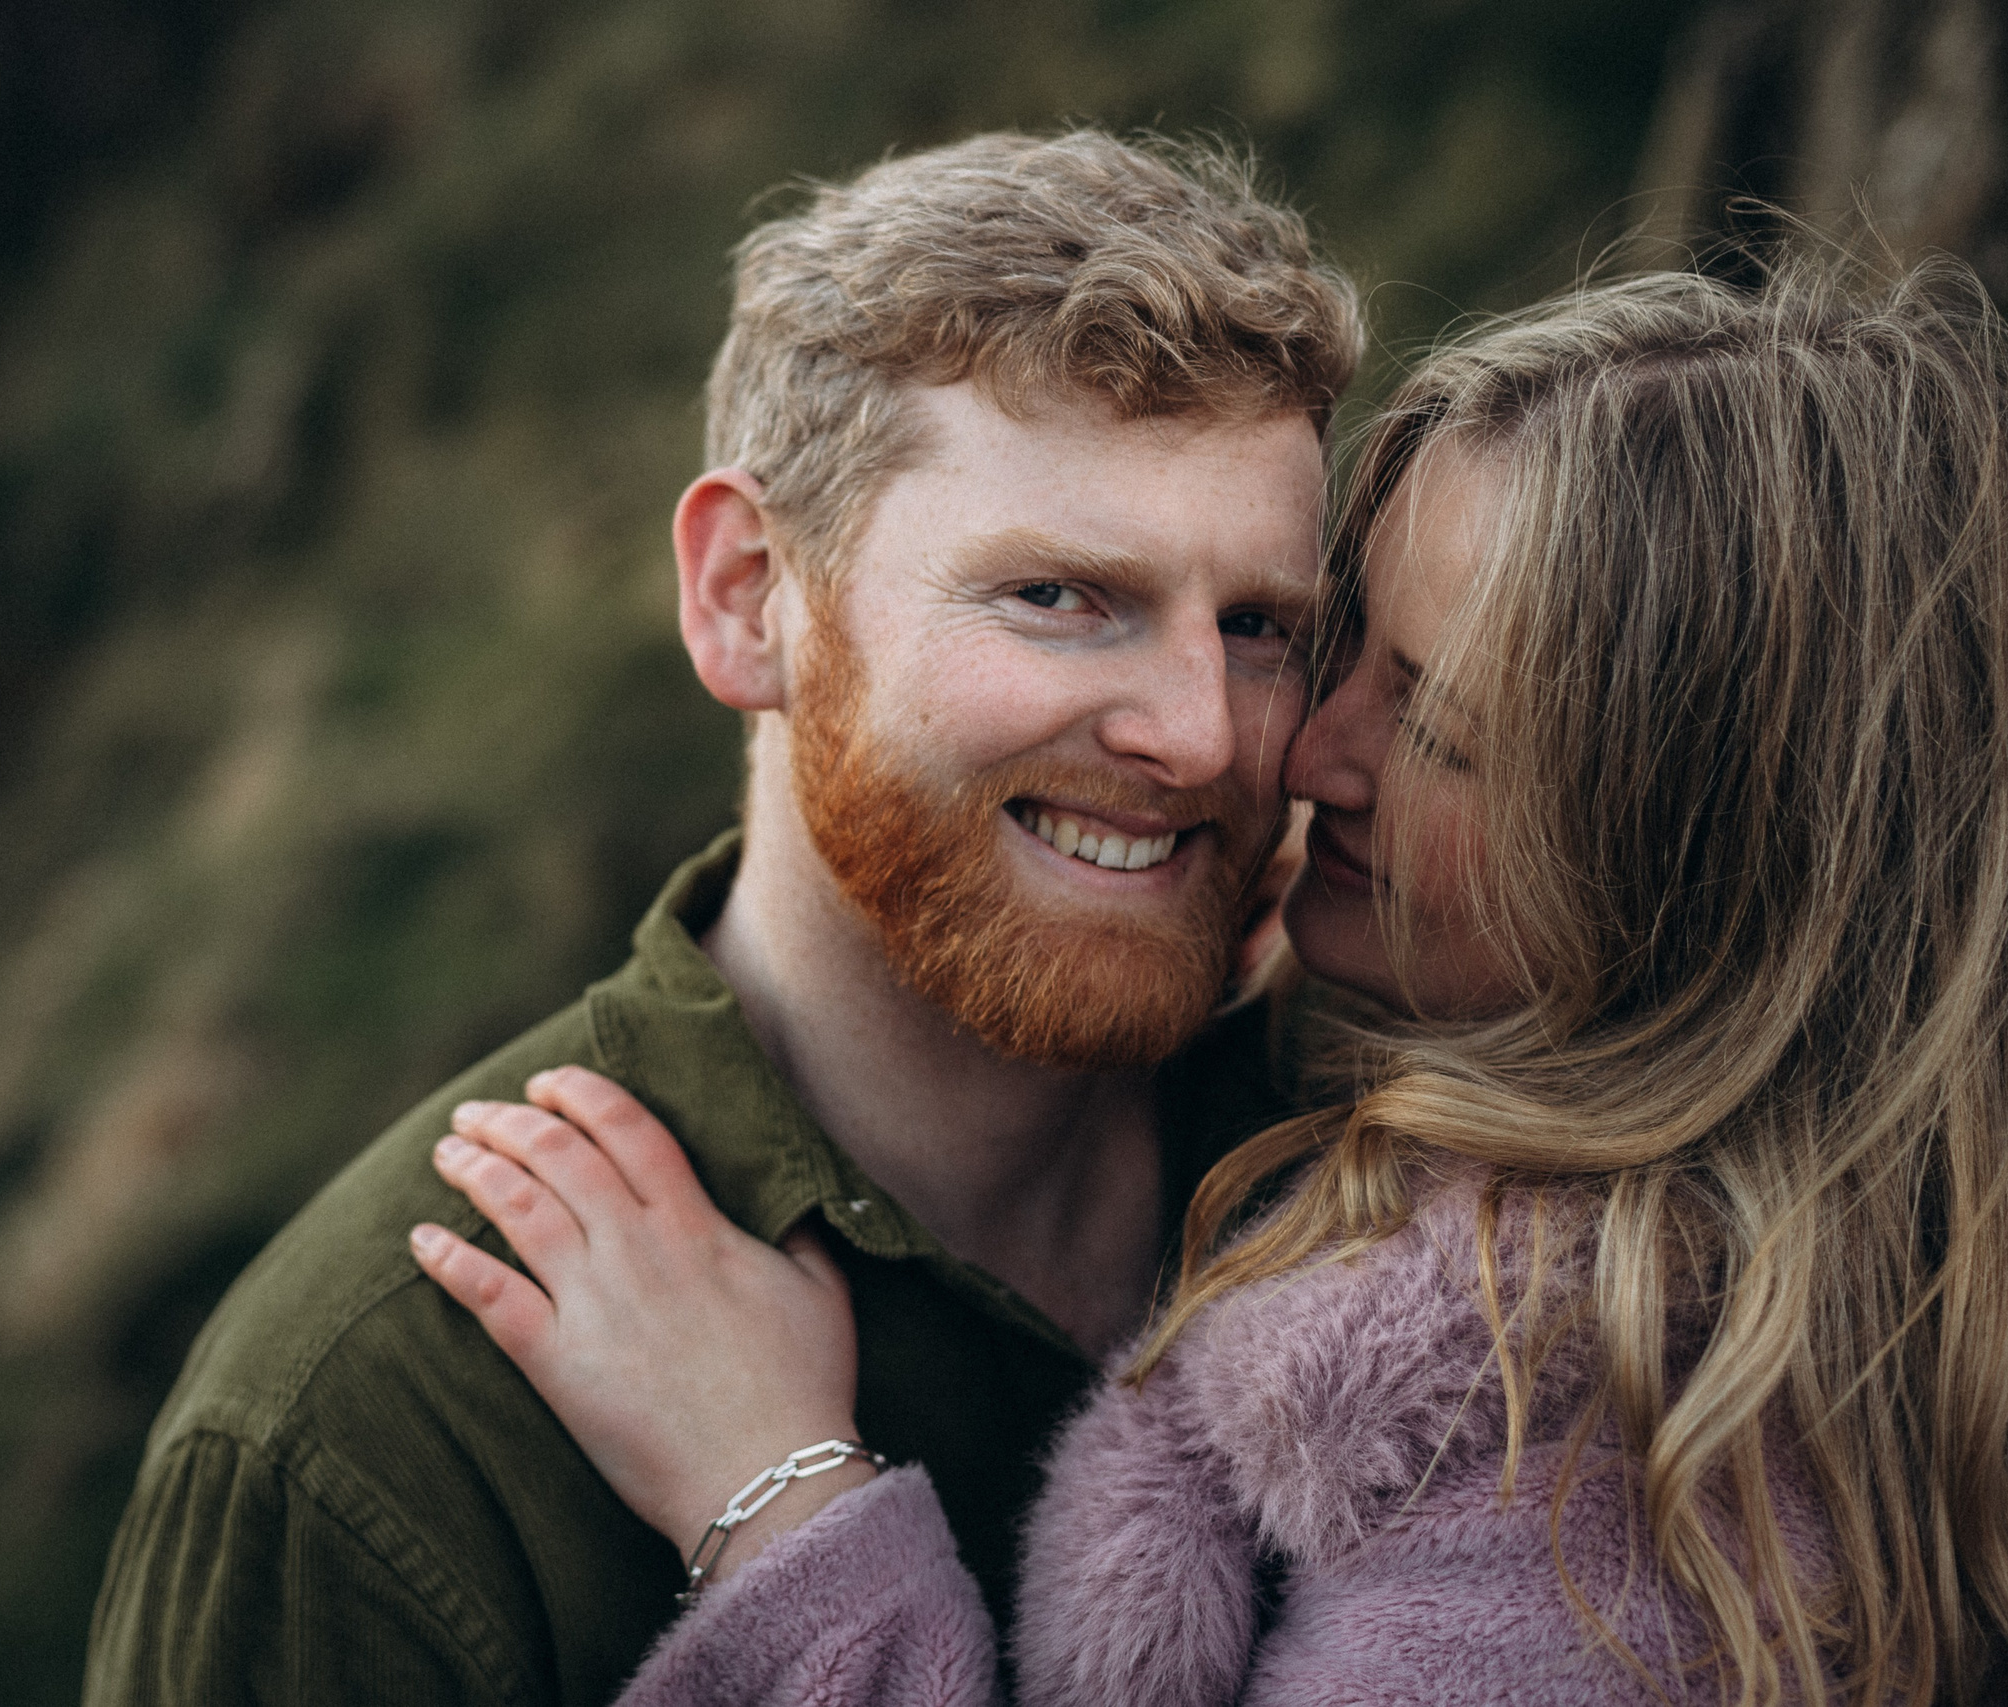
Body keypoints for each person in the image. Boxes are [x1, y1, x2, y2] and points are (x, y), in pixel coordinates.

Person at [415, 248, 2008, 1704]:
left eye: (1439, 725)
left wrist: (782, 1508)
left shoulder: (1605, 1473)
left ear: (1698, 877)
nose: (1279, 756)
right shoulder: (1659, 1224)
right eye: (1334, 645)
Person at [81, 130, 1361, 1705]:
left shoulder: (1422, 1190)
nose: (1203, 736)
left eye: (1258, 628)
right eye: (1058, 597)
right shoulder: (373, 1424)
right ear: (749, 596)